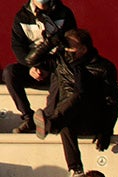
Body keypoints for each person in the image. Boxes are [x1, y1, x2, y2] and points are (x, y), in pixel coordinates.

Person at [31, 28, 118, 177]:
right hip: (67, 116)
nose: (67, 50)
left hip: (91, 118)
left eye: (71, 47)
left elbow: (111, 101)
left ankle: (50, 124)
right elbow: (30, 60)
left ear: (84, 49)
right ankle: (75, 169)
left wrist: (107, 130)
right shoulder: (60, 61)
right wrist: (50, 43)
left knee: (78, 95)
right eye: (65, 46)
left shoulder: (103, 67)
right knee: (66, 121)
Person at [4, 0, 76, 135]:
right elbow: (18, 47)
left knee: (61, 73)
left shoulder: (64, 13)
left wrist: (50, 66)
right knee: (9, 72)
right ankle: (29, 118)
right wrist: (32, 67)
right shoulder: (22, 16)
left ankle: (47, 120)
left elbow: (70, 43)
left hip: (56, 64)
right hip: (32, 64)